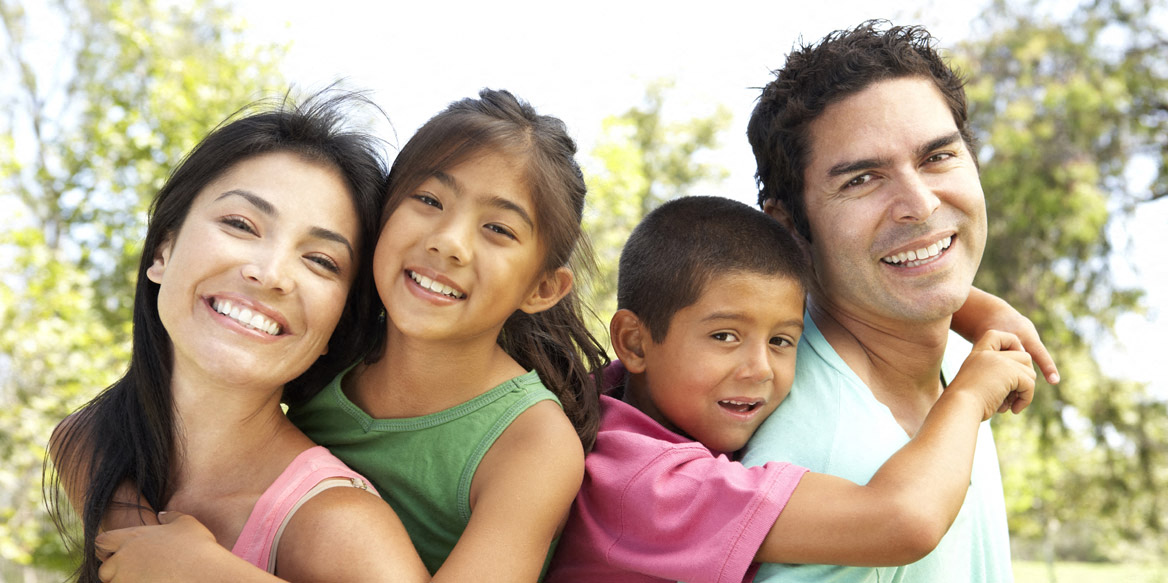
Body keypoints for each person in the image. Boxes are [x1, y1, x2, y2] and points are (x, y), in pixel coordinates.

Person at [544, 195, 1035, 583]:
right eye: (724, 337)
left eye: (782, 340)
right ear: (633, 341)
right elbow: (903, 520)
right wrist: (968, 397)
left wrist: (974, 307)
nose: (760, 369)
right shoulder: (647, 485)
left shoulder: (620, 397)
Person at [47, 92, 430, 582]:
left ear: (338, 325)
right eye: (240, 224)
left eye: (321, 261)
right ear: (162, 250)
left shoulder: (338, 527)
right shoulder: (91, 444)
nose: (271, 274)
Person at [740, 21, 1043, 582]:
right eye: (861, 180)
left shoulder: (961, 363)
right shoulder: (815, 460)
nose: (920, 205)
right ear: (788, 227)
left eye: (937, 158)